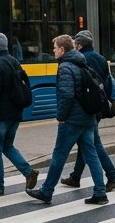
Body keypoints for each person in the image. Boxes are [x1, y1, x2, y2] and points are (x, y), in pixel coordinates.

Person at [27, 34, 107, 205]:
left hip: (72, 120)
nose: (53, 51)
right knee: (91, 154)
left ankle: (46, 191)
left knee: (59, 155)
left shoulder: (65, 67)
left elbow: (67, 95)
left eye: (55, 48)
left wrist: (61, 116)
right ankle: (100, 192)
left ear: (62, 50)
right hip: (88, 117)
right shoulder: (82, 62)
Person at [61, 29, 115, 191]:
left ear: (79, 46)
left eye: (75, 44)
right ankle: (75, 177)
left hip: (87, 107)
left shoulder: (82, 60)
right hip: (98, 105)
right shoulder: (100, 58)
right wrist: (113, 100)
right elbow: (109, 81)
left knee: (93, 144)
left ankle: (112, 176)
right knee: (86, 142)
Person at [0, 33, 38, 195]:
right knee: (7, 145)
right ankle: (28, 172)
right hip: (15, 113)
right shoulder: (14, 62)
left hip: (0, 115)